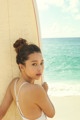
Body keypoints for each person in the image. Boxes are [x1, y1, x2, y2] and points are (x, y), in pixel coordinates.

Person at [0, 38, 55, 120]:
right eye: (34, 64)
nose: (40, 68)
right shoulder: (37, 89)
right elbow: (51, 114)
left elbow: (1, 113)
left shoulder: (14, 84)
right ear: (21, 67)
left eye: (41, 63)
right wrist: (45, 91)